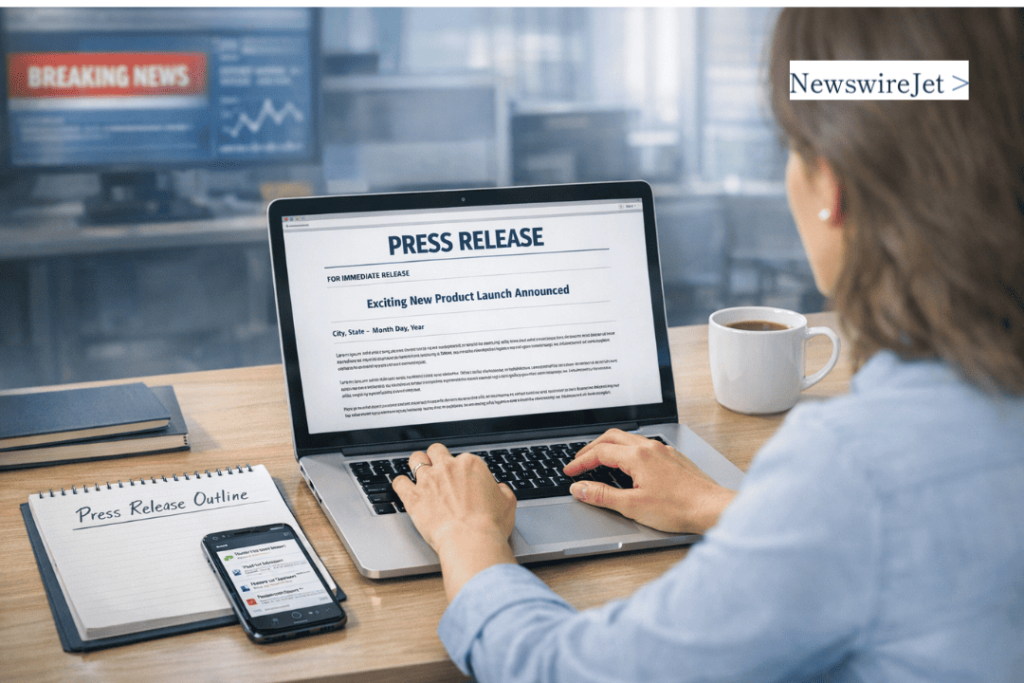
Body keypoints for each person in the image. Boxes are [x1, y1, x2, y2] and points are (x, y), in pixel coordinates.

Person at [392, 8, 1024, 682]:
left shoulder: (856, 469)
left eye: (793, 146)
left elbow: (561, 669)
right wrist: (733, 508)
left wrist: (468, 536)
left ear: (831, 188)